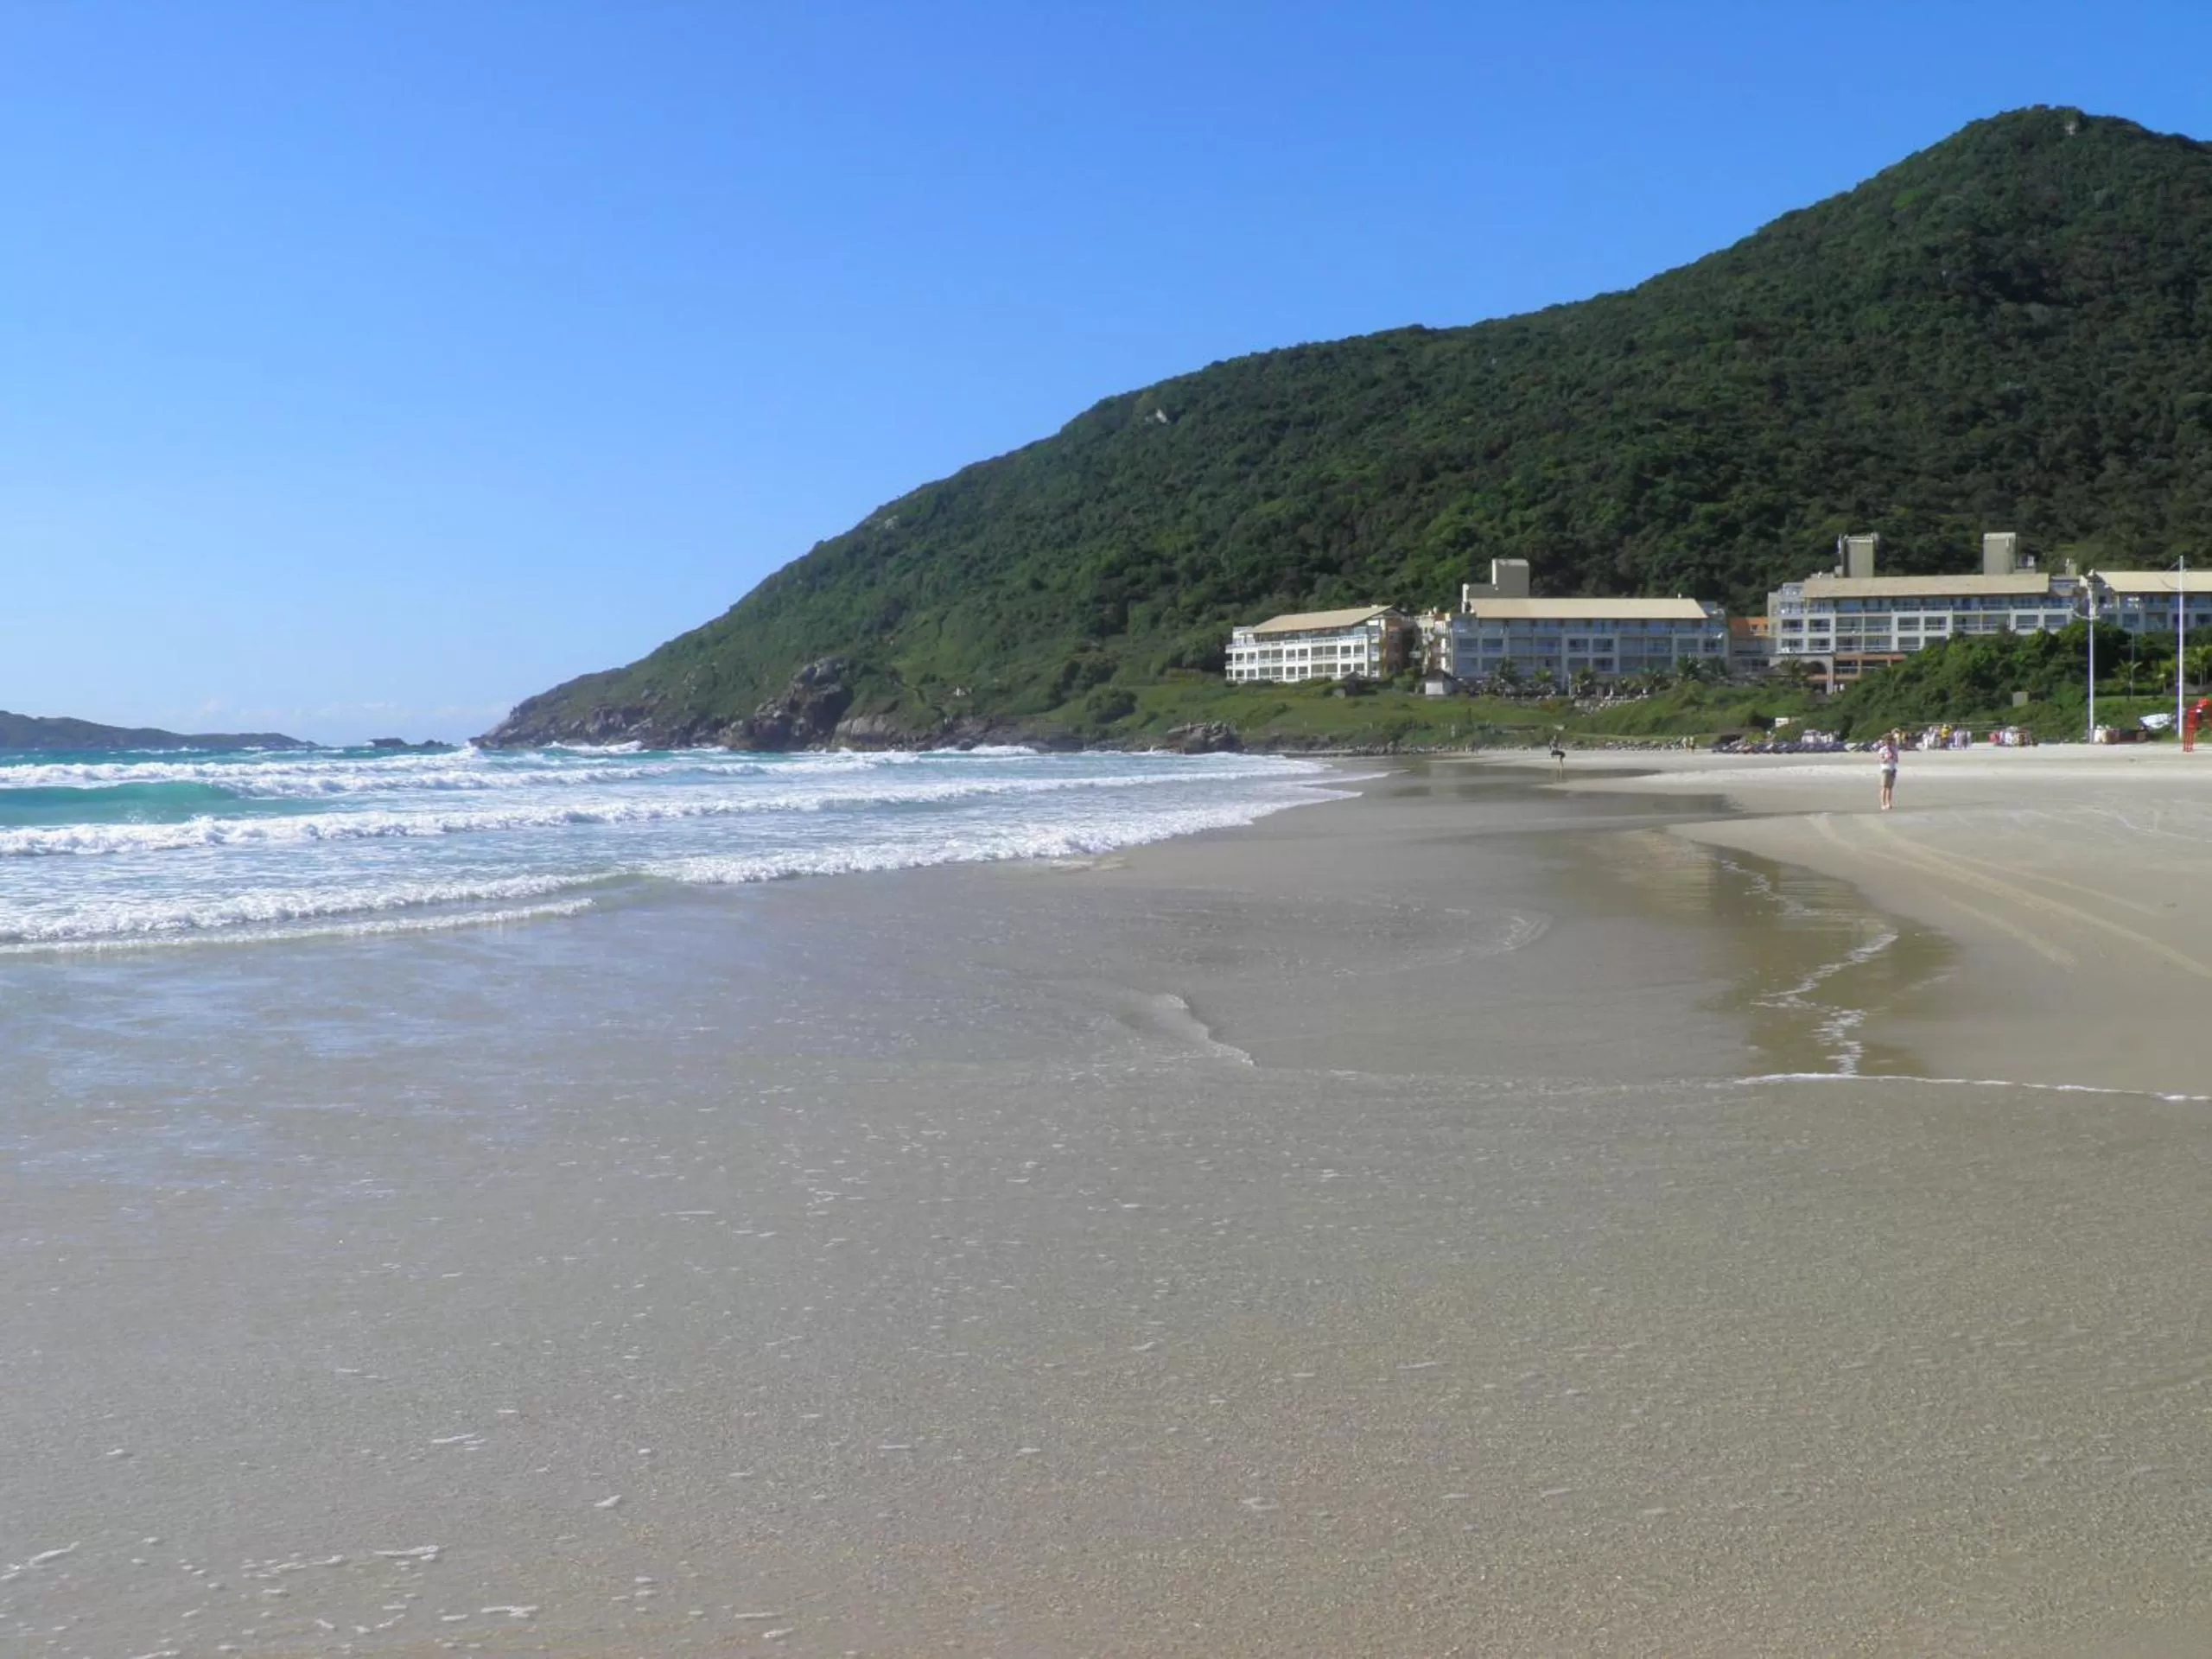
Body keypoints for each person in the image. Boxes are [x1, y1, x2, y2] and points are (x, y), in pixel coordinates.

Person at [1876, 731, 1899, 810]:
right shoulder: (1882, 749)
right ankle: (1883, 803)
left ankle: (1889, 803)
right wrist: (1887, 758)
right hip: (1885, 769)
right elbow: (1881, 760)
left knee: (1890, 788)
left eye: (1890, 740)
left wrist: (1894, 757)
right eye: (1888, 740)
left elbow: (1897, 760)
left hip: (1892, 769)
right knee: (1884, 787)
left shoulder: (1894, 749)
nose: (1889, 742)